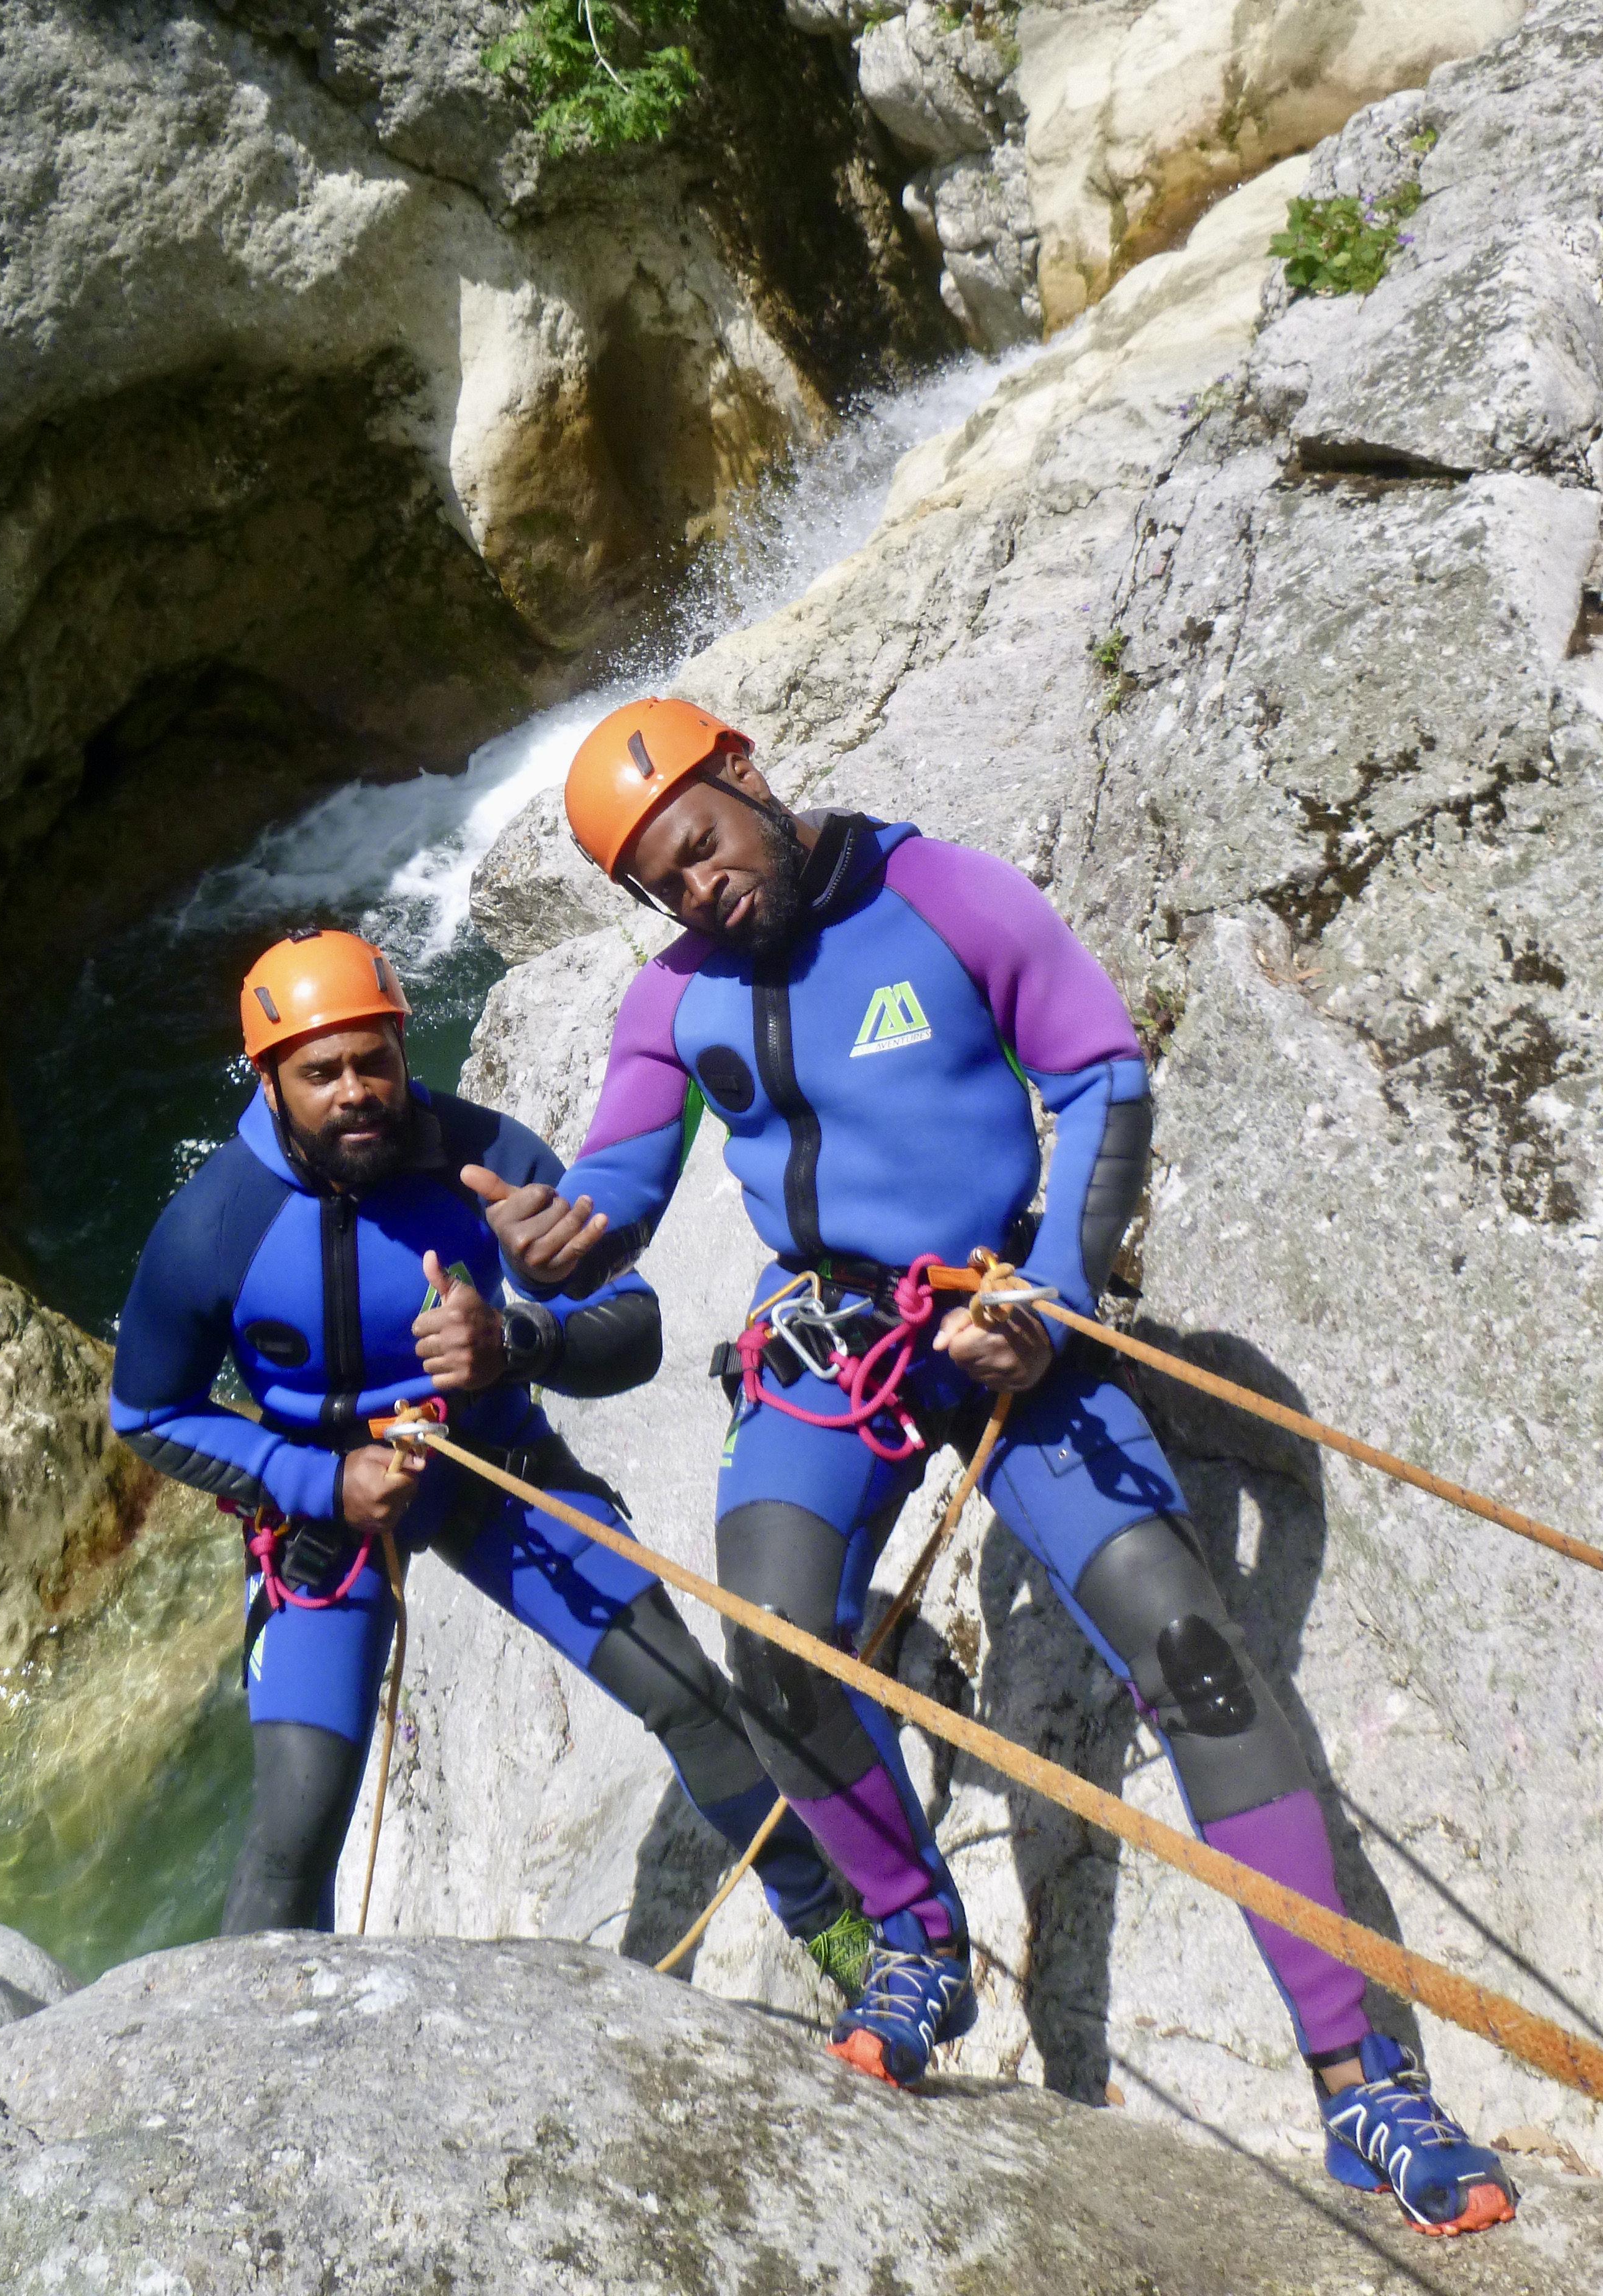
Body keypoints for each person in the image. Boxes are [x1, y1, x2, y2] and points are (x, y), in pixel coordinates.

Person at [463, 697, 1515, 2240]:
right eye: (661, 885)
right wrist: (567, 1243)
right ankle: (914, 1941)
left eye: (697, 846)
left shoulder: (944, 895)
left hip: (1005, 1311)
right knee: (771, 1637)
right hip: (830, 1344)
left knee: (1188, 1645)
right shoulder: (672, 1003)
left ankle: (1363, 2081)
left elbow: (1099, 1073)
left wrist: (1055, 1299)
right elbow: (620, 1177)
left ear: (745, 775)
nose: (696, 892)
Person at [109, 924, 851, 1964]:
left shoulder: (485, 1159)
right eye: (321, 1072)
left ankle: (837, 1930)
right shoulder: (215, 1225)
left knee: (687, 1697)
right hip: (329, 1516)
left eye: (377, 1059)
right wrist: (318, 1482)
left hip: (491, 1462)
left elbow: (634, 1331)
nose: (357, 1090)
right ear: (270, 1082)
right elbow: (147, 1415)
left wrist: (514, 1341)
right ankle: (258, 2076)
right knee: (295, 1830)